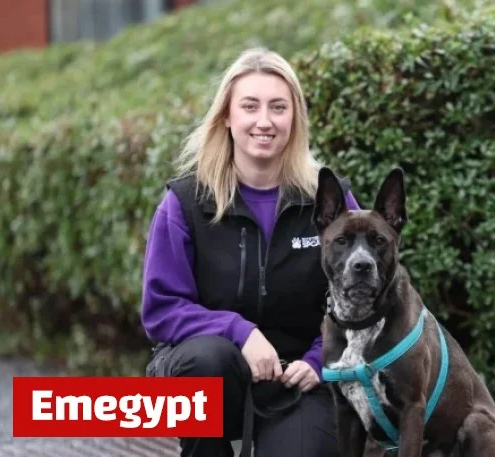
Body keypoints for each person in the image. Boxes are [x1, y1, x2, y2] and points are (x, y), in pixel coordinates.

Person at [140, 47, 360, 457]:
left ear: (294, 119)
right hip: (207, 367)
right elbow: (161, 311)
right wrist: (240, 333)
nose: (264, 121)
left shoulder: (330, 201)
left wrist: (318, 360)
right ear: (227, 116)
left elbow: (361, 301)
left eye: (278, 107)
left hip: (298, 376)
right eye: (250, 106)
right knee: (208, 361)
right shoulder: (185, 202)